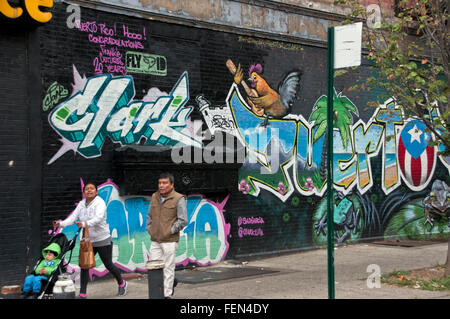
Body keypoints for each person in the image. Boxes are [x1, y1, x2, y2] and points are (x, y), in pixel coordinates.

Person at [53, 182, 127, 298]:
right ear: (84, 192)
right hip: (88, 241)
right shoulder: (82, 204)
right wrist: (61, 224)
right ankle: (83, 294)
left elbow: (98, 218)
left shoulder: (100, 203)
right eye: (87, 189)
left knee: (108, 265)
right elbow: (73, 218)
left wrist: (83, 224)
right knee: (84, 266)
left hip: (102, 239)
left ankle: (122, 283)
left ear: (96, 191)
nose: (89, 191)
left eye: (92, 189)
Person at [146, 172, 187, 299]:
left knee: (168, 267)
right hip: (155, 239)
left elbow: (183, 220)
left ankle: (167, 295)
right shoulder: (154, 196)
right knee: (154, 268)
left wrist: (170, 230)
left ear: (171, 184)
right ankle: (157, 293)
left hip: (169, 240)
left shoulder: (178, 198)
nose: (161, 186)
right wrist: (150, 229)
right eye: (159, 183)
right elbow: (149, 215)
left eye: (164, 183)